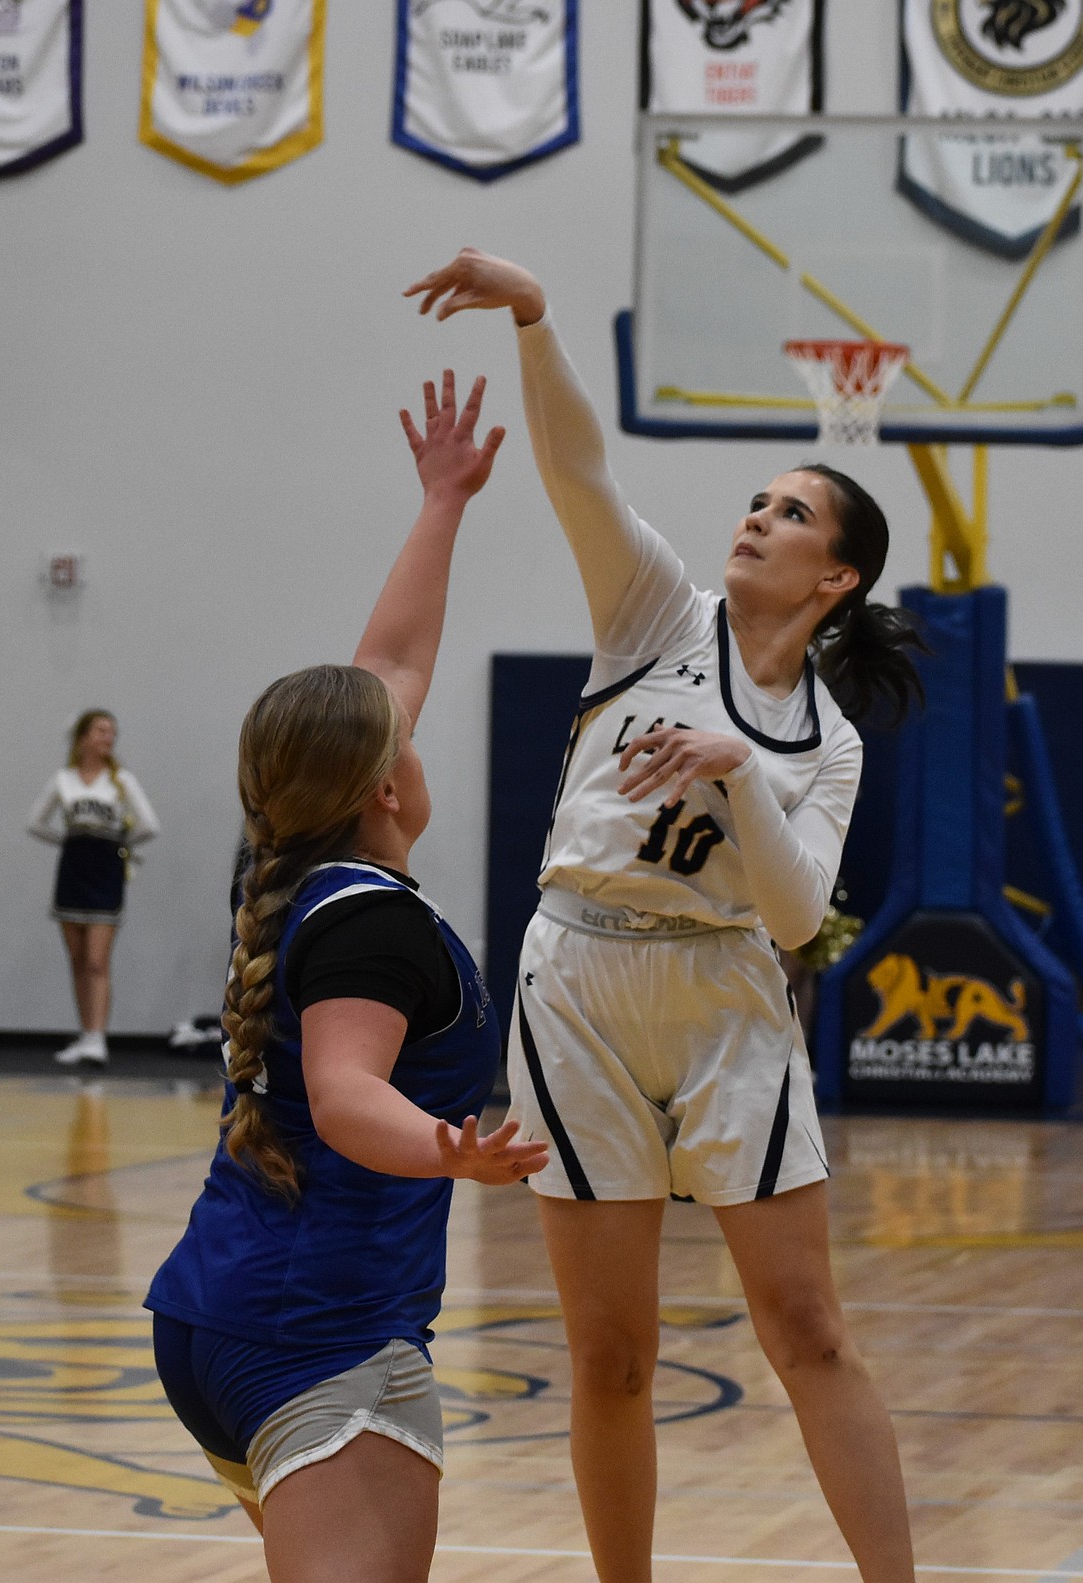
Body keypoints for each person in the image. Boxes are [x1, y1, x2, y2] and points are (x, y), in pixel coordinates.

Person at [406, 250, 924, 1583]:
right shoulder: (651, 610)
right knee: (609, 1351)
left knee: (805, 1322)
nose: (754, 516)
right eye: (753, 498)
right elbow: (579, 469)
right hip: (573, 975)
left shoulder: (824, 739)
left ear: (836, 578)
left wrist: (735, 765)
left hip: (724, 996)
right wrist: (534, 314)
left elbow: (796, 908)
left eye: (789, 511)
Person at [144, 370, 548, 1583]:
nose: (411, 734)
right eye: (403, 739)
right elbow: (343, 1091)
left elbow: (387, 661)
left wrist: (443, 502)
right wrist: (447, 1146)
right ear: (386, 785)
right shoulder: (372, 927)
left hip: (222, 1315)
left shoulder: (282, 867)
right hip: (320, 1333)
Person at [27, 710, 160, 1065]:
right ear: (83, 736)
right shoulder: (63, 779)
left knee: (97, 960)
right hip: (72, 871)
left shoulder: (121, 781)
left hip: (105, 873)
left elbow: (149, 824)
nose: (108, 738)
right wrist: (67, 842)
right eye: (101, 730)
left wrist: (120, 844)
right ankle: (85, 1034)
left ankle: (98, 1038)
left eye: (112, 732)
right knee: (77, 959)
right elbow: (35, 822)